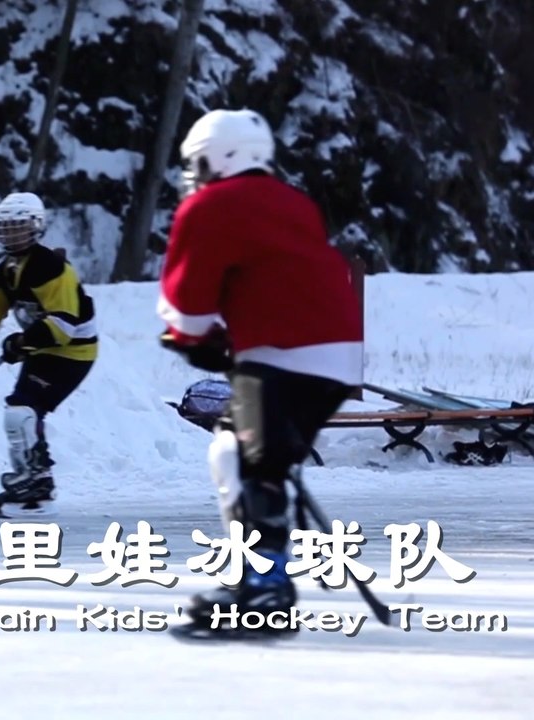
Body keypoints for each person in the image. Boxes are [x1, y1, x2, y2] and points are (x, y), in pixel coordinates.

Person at [157, 108, 364, 638]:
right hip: (337, 360)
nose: (196, 176)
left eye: (199, 163)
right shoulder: (296, 202)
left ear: (220, 157)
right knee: (242, 454)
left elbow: (186, 307)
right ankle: (260, 579)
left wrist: (192, 339)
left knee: (249, 464)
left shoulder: (208, 206)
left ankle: (266, 591)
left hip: (279, 357)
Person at [0, 192, 97, 520]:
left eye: (19, 227)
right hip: (42, 349)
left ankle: (36, 479)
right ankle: (33, 476)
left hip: (72, 351)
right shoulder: (5, 271)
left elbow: (63, 325)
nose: (12, 234)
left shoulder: (51, 267)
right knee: (21, 408)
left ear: (36, 227)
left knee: (21, 410)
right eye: (6, 227)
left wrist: (21, 341)